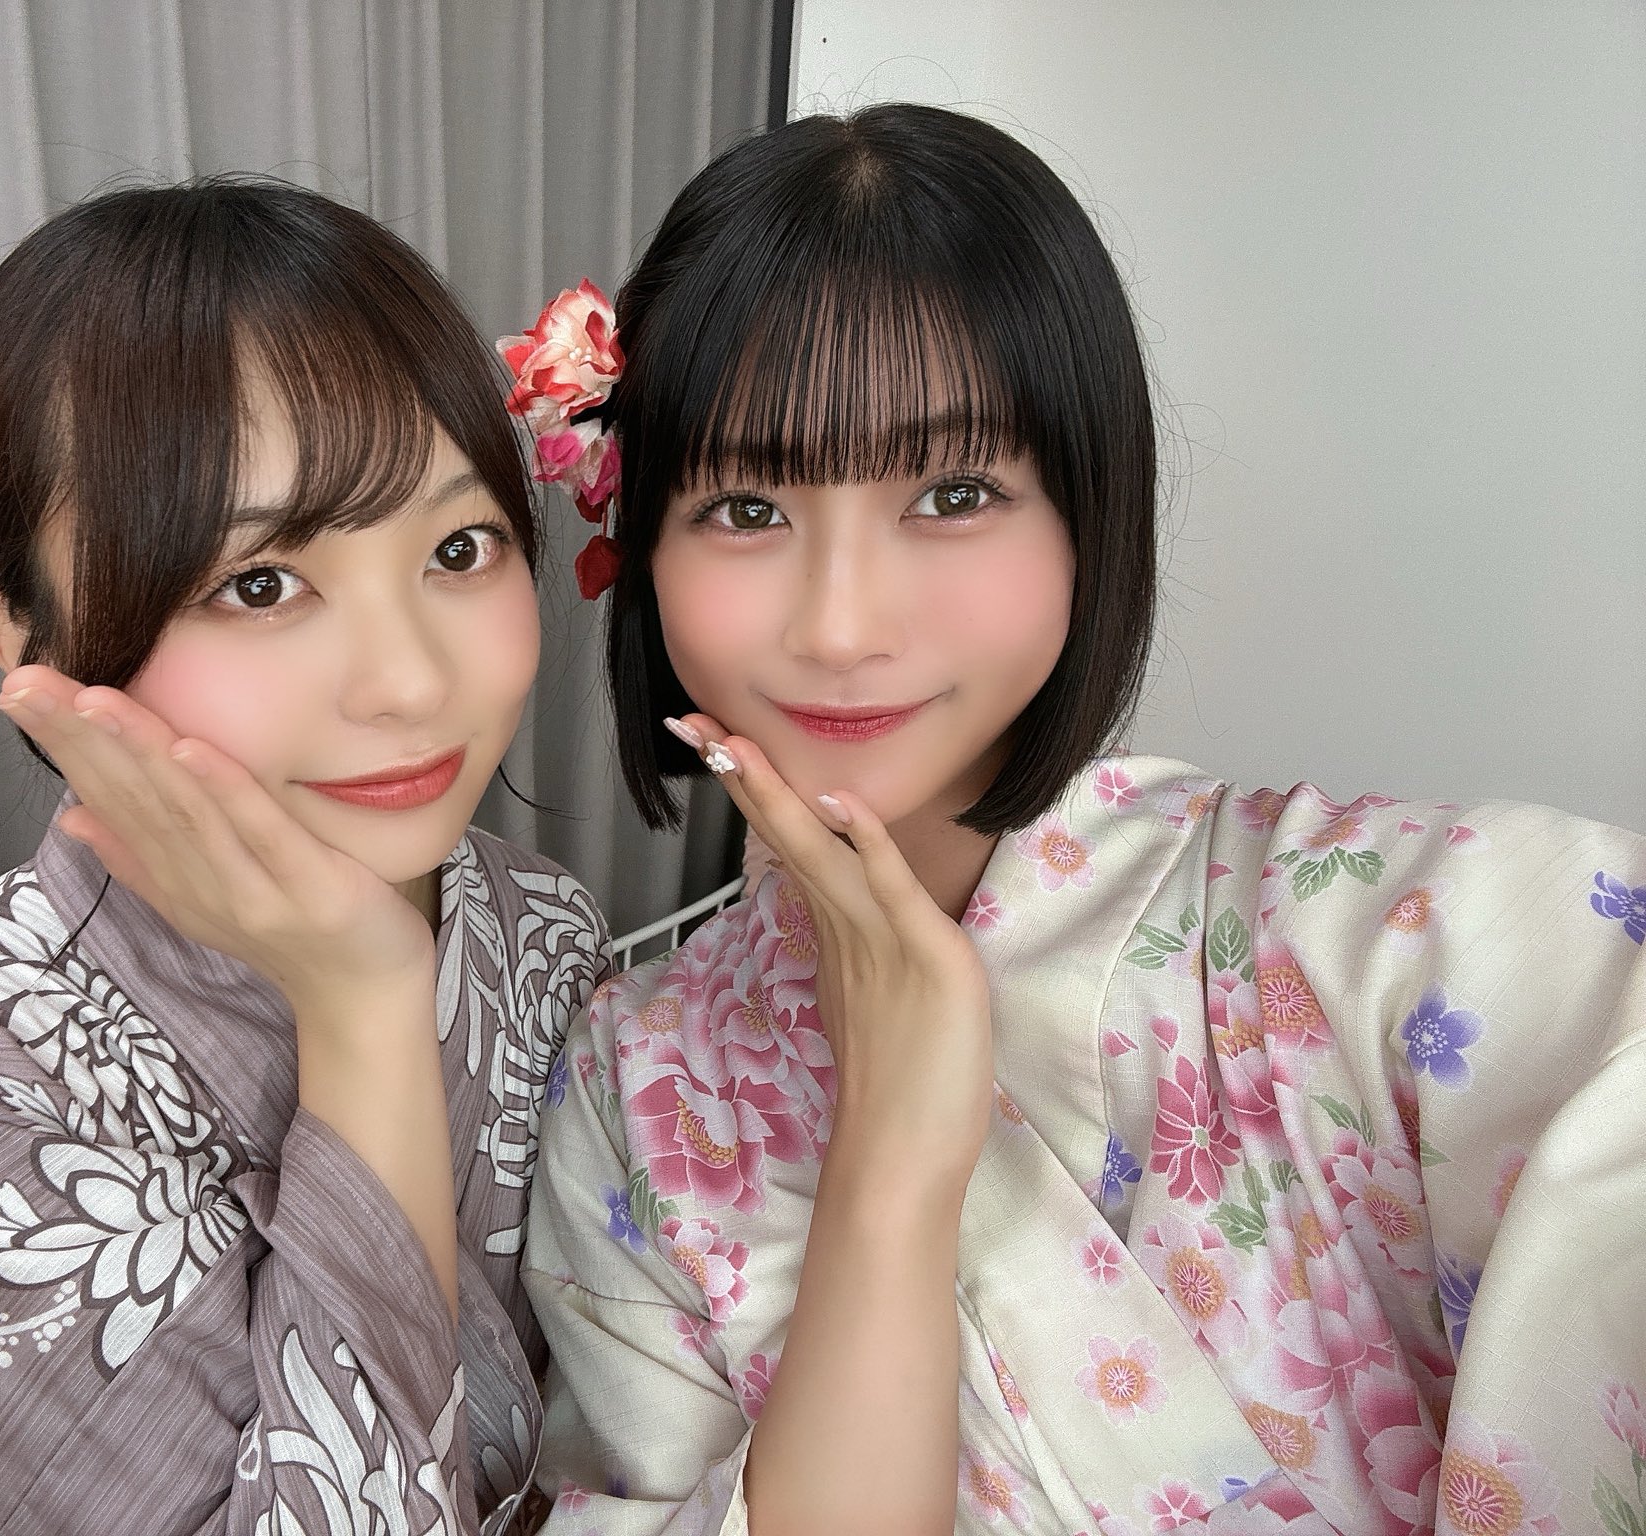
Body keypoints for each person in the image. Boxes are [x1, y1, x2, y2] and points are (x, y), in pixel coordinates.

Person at [520, 105, 1646, 1535]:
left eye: (953, 493)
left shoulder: (1343, 929)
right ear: (643, 548)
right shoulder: (635, 1085)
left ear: (1087, 519)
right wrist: (890, 1169)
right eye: (745, 508)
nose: (842, 626)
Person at [0, 177, 609, 1534]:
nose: (413, 682)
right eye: (260, 584)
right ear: (27, 648)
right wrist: (364, 1010)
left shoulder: (543, 928)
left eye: (460, 546)